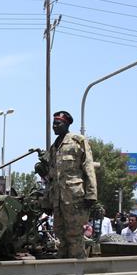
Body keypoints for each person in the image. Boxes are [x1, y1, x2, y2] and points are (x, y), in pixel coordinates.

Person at [41, 111, 97, 259]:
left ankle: (78, 271)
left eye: (58, 123)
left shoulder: (78, 141)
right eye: (53, 123)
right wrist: (47, 201)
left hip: (74, 198)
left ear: (66, 124)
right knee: (60, 236)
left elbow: (88, 168)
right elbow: (51, 177)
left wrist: (91, 194)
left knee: (74, 235)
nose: (54, 126)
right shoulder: (54, 147)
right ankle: (64, 270)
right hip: (58, 200)